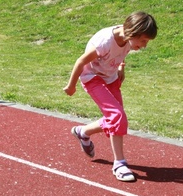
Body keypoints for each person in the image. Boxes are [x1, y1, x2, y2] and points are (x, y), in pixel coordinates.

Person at [63, 11, 158, 182]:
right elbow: (81, 61)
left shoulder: (128, 38)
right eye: (143, 41)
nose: (144, 46)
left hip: (110, 77)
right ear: (132, 33)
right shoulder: (105, 42)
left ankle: (82, 132)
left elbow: (122, 52)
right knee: (117, 116)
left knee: (117, 118)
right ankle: (119, 164)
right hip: (92, 77)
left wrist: (121, 67)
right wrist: (71, 85)